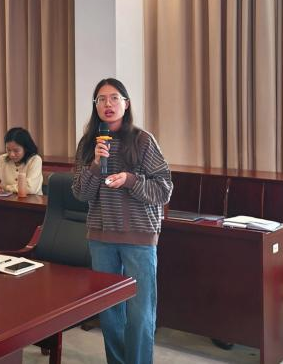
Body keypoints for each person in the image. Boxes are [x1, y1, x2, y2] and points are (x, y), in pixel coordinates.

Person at [72, 78, 172, 364]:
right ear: (95, 106)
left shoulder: (142, 141)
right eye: (101, 99)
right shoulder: (89, 143)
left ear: (126, 104)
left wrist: (129, 179)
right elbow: (80, 193)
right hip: (101, 238)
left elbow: (164, 189)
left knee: (140, 313)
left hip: (139, 238)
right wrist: (95, 165)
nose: (108, 104)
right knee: (109, 313)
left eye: (114, 98)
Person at [0, 127, 43, 195]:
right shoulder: (3, 159)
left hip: (31, 200)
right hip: (7, 200)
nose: (12, 154)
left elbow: (30, 188)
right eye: (8, 150)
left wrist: (5, 187)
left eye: (16, 151)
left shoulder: (35, 160)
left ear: (26, 148)